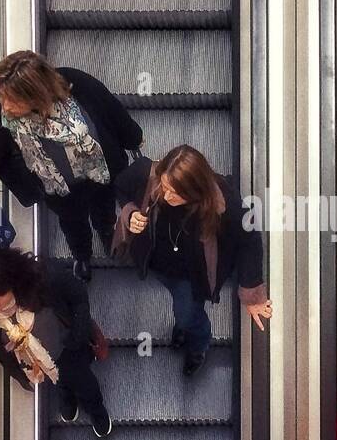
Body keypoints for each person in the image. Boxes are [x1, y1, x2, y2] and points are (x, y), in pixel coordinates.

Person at [0, 51, 142, 282]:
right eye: (2, 96)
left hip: (99, 171)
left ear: (37, 94)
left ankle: (106, 231)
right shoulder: (1, 119)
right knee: (73, 222)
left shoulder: (74, 83)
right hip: (60, 190)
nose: (6, 106)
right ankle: (82, 255)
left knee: (104, 208)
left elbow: (109, 107)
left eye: (13, 99)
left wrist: (133, 137)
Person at [113, 144, 272, 377]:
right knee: (181, 309)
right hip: (157, 262)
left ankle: (198, 345)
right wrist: (130, 212)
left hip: (193, 275)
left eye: (174, 192)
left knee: (188, 314)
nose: (165, 196)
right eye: (164, 187)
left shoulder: (224, 204)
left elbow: (249, 240)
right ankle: (183, 326)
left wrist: (251, 293)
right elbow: (121, 187)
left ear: (194, 191)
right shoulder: (148, 173)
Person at [0, 246, 112, 440]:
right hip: (32, 365)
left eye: (0, 294)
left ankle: (96, 410)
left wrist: (78, 335)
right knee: (57, 381)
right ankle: (66, 397)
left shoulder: (41, 276)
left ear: (12, 281)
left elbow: (77, 293)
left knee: (84, 384)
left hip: (67, 349)